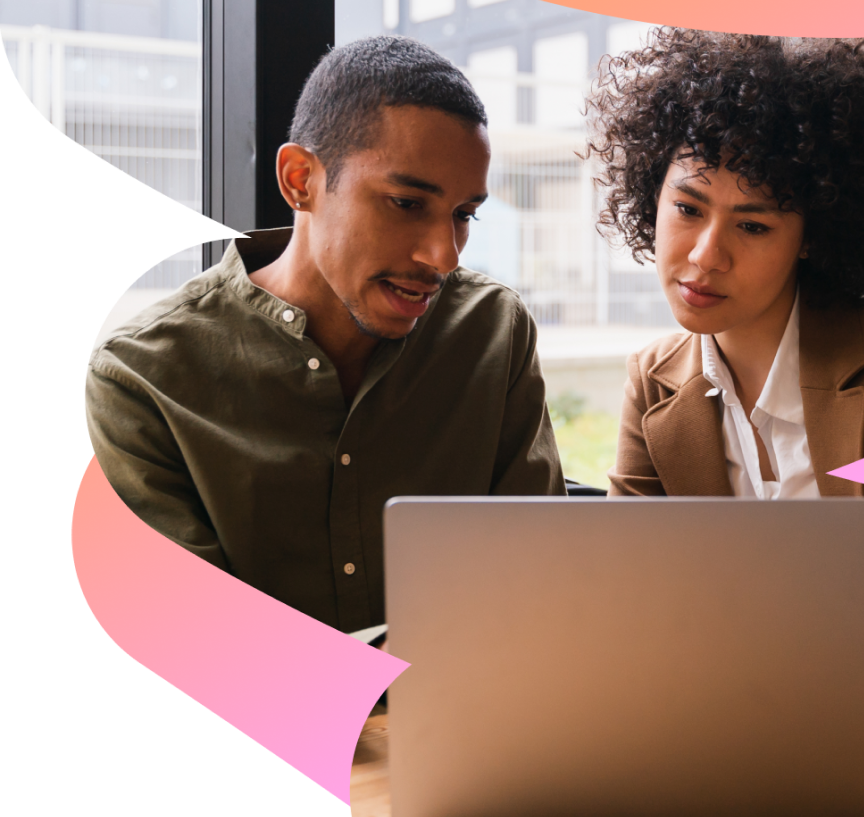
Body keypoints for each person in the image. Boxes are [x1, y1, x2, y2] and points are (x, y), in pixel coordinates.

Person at [586, 30, 864, 730]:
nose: (703, 255)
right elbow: (632, 621)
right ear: (650, 196)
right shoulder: (655, 385)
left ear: (810, 237)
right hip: (750, 737)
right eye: (687, 208)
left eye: (752, 226)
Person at [85, 35, 566, 636]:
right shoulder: (141, 378)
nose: (443, 255)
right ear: (300, 180)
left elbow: (537, 583)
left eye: (464, 214)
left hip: (471, 722)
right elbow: (189, 644)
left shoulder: (492, 331)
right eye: (406, 202)